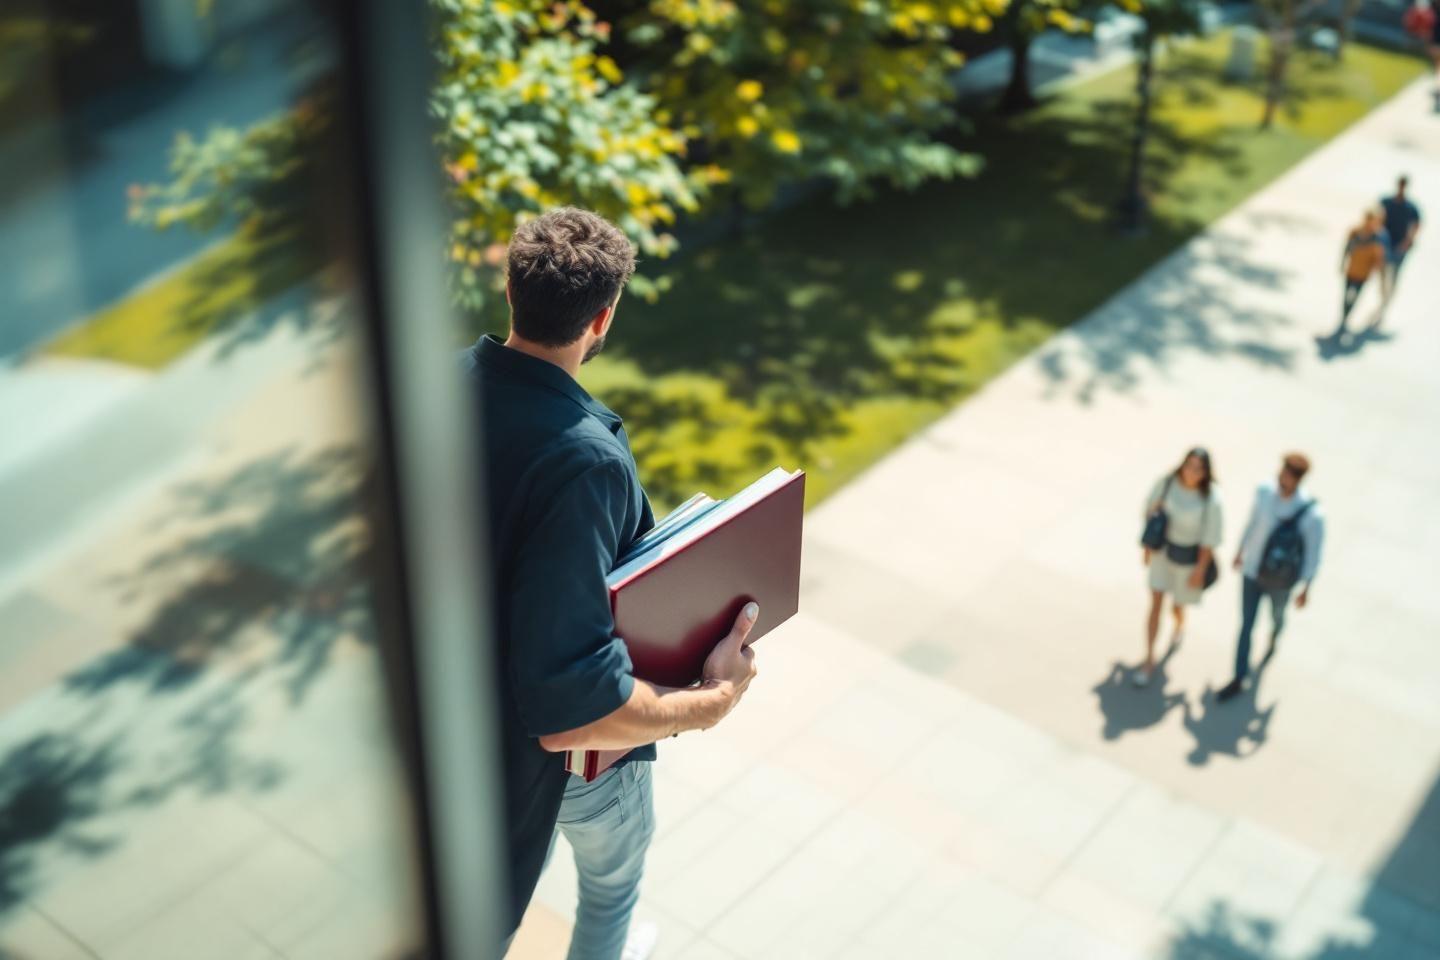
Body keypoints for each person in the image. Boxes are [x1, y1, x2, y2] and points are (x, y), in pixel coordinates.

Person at [464, 207, 761, 959]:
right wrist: (712, 703)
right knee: (613, 883)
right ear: (603, 319)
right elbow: (573, 707)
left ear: (508, 289)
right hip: (546, 768)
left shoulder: (431, 386)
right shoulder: (584, 462)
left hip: (444, 730)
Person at [1217, 454, 1325, 702]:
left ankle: (1275, 635)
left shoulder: (1312, 515)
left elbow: (1313, 554)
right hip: (1253, 571)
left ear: (1298, 479)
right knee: (1246, 625)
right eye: (1283, 470)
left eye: (1288, 473)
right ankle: (1239, 675)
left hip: (1281, 581)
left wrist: (1307, 587)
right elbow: (1252, 522)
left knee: (1277, 616)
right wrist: (1240, 551)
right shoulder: (1265, 493)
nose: (1282, 476)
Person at [1138, 448, 1223, 687]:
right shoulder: (1167, 484)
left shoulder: (1211, 499)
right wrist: (1147, 549)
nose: (1191, 472)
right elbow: (1150, 513)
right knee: (1155, 603)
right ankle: (1149, 657)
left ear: (1205, 472)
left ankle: (1179, 623)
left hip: (1188, 562)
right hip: (1163, 554)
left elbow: (1210, 539)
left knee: (1177, 605)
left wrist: (1199, 571)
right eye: (1189, 465)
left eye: (1198, 468)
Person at [1336, 208, 1389, 336]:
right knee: (1346, 295)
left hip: (1363, 274)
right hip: (1352, 270)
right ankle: (1344, 316)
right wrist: (1343, 262)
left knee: (1354, 296)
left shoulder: (1377, 239)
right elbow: (1347, 248)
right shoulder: (1354, 232)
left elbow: (1379, 260)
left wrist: (1376, 272)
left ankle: (1346, 317)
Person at [1379, 176, 1422, 317]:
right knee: (1383, 273)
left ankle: (1389, 296)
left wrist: (1407, 242)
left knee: (1395, 273)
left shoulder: (1411, 207)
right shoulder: (1386, 202)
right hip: (1386, 244)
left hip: (1400, 246)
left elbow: (1417, 225)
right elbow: (1378, 217)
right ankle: (1384, 295)